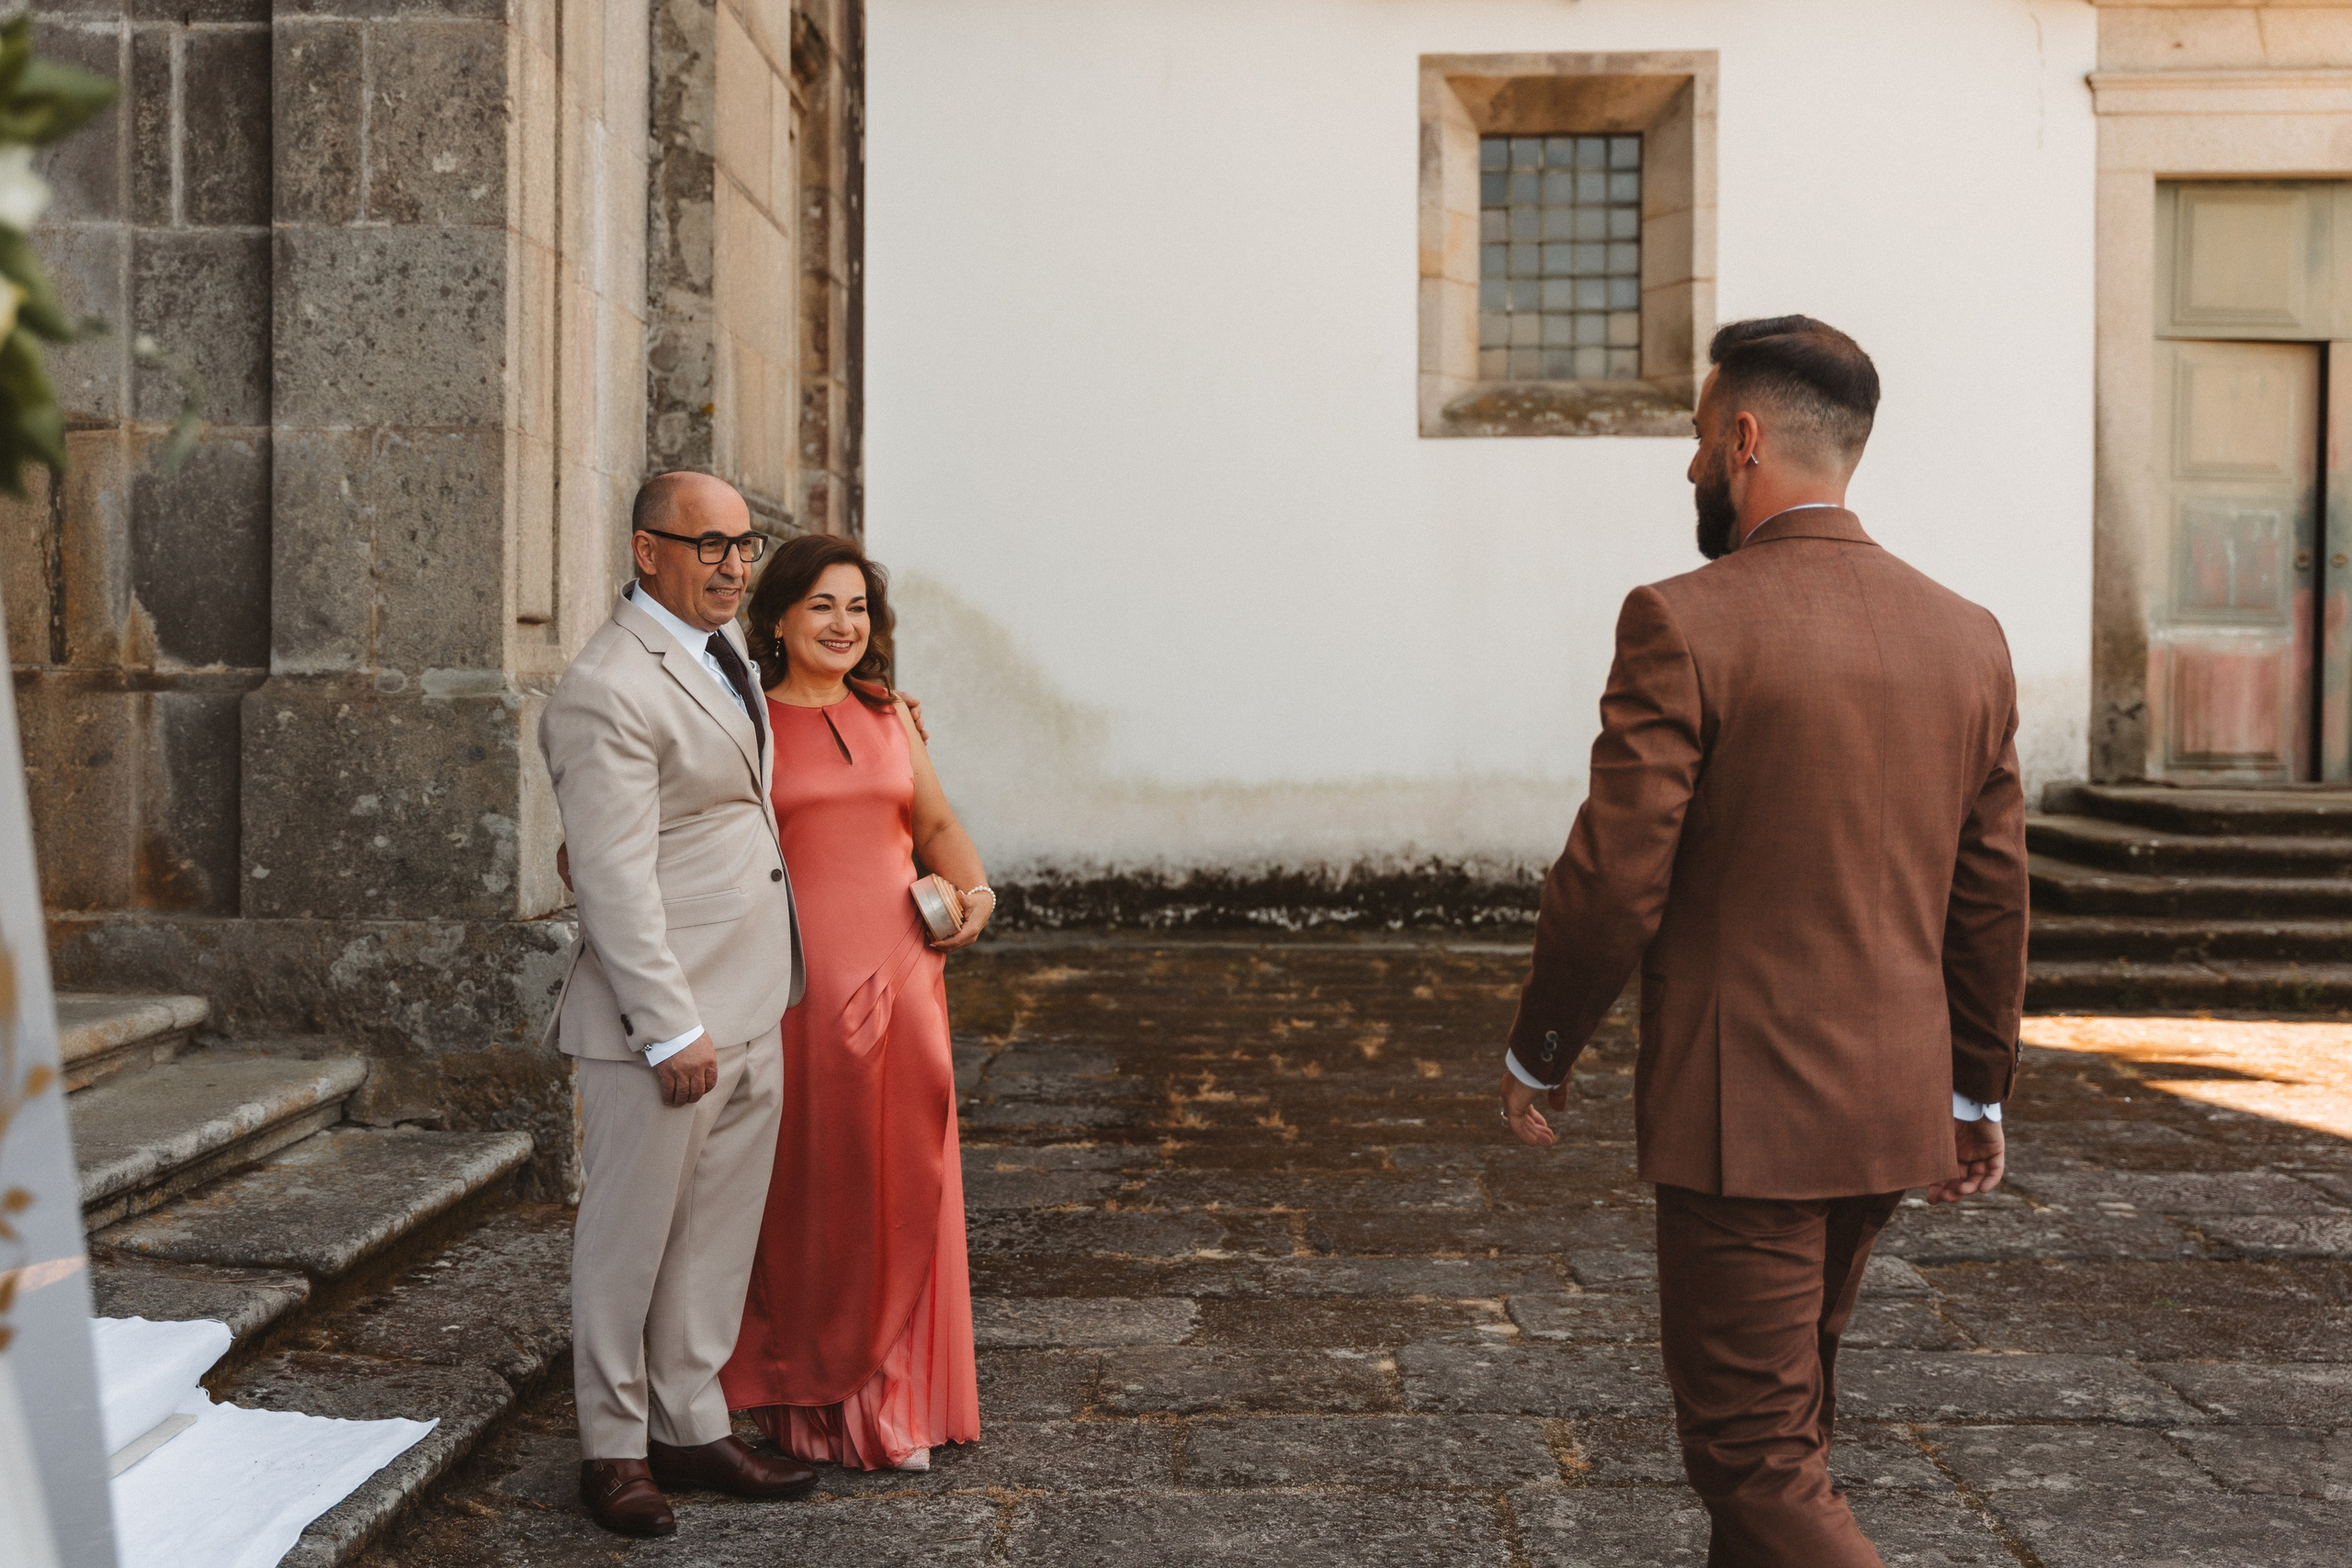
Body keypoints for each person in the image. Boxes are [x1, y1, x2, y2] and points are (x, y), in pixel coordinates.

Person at [1497, 317, 2027, 1567]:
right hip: (1889, 1103)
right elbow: (1992, 888)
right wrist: (1973, 1088)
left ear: (1743, 440)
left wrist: (1541, 1045)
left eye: (1696, 438)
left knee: (1756, 1455)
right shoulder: (1970, 635)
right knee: (1793, 1431)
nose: (1689, 468)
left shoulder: (1684, 622)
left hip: (1749, 1117)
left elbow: (1616, 875)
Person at [539, 471, 820, 1538]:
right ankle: (612, 1452)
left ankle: (690, 1422)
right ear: (644, 549)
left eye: (743, 545)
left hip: (753, 989)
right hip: (660, 1019)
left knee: (713, 1235)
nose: (732, 565)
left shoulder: (725, 651)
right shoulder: (606, 684)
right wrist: (668, 1027)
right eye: (707, 545)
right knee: (627, 1244)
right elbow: (608, 878)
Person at [720, 534, 989, 1472]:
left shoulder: (888, 716)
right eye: (823, 606)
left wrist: (978, 899)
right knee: (813, 1194)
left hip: (905, 978)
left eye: (859, 609)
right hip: (797, 991)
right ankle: (808, 1404)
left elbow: (939, 827)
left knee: (906, 1181)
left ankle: (896, 1404)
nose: (844, 625)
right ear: (779, 619)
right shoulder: (742, 719)